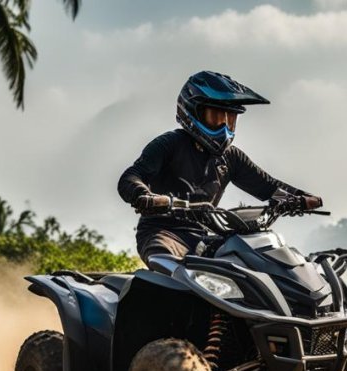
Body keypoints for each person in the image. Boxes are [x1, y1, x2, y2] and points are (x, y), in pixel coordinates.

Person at [118, 71, 322, 265]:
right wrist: (145, 196)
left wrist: (302, 198)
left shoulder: (231, 157)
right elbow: (131, 177)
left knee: (254, 263)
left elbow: (269, 187)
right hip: (163, 233)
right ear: (193, 111)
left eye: (230, 120)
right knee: (168, 265)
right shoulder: (169, 144)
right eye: (216, 117)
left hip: (206, 237)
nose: (224, 127)